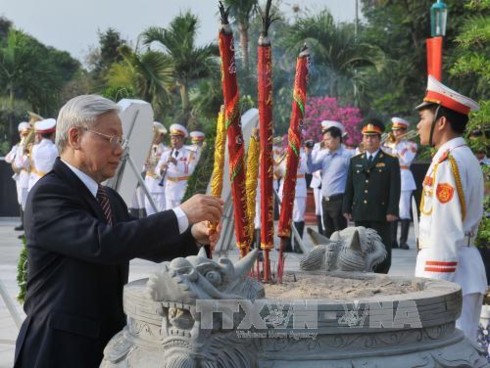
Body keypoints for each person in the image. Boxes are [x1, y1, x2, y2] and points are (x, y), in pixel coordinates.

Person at [13, 95, 223, 368]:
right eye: (109, 138)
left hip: (104, 344)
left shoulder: (108, 198)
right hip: (58, 348)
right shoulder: (49, 194)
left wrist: (193, 234)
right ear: (75, 137)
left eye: (120, 141)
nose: (119, 150)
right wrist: (180, 214)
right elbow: (103, 243)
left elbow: (141, 243)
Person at [415, 75, 486, 343]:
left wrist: (435, 287)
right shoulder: (460, 156)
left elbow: (445, 229)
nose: (419, 125)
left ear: (441, 122)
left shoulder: (448, 162)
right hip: (462, 271)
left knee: (447, 352)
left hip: (450, 275)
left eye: (423, 118)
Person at [342, 119, 401, 274]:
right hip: (361, 211)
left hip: (381, 212)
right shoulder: (355, 161)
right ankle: (363, 273)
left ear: (379, 138)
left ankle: (381, 274)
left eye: (373, 136)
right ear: (362, 139)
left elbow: (395, 188)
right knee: (361, 247)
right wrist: (346, 206)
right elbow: (350, 186)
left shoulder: (390, 161)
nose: (370, 140)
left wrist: (392, 210)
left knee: (382, 249)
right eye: (366, 137)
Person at [307, 122, 352, 238]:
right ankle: (330, 256)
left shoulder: (347, 156)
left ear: (337, 139)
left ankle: (341, 256)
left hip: (339, 200)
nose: (325, 142)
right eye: (324, 140)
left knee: (340, 234)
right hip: (325, 200)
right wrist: (309, 153)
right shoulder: (324, 155)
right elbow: (311, 168)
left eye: (328, 139)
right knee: (328, 233)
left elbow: (352, 178)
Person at [383, 117, 418, 249]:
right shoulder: (390, 144)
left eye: (398, 131)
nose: (395, 133)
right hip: (391, 178)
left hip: (404, 178)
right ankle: (392, 240)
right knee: (392, 209)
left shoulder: (411, 145)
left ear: (404, 131)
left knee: (404, 211)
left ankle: (403, 241)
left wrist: (398, 145)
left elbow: (407, 158)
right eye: (394, 130)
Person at [156, 123, 197, 210]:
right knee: (169, 214)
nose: (174, 141)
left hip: (182, 188)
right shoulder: (166, 153)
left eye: (176, 138)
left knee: (182, 213)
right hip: (169, 188)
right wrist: (161, 170)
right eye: (172, 138)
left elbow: (190, 170)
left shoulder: (189, 153)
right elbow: (157, 169)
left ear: (182, 139)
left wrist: (176, 163)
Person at [276, 146, 308, 252]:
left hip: (298, 189)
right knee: (285, 217)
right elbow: (277, 173)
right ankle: (286, 244)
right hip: (284, 190)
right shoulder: (283, 156)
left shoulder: (303, 155)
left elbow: (306, 169)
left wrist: (297, 157)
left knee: (298, 217)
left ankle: (298, 245)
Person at [5, 122, 32, 231]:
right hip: (20, 176)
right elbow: (8, 158)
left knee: (26, 202)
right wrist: (14, 156)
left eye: (26, 134)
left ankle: (27, 227)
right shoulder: (17, 146)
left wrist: (18, 163)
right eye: (22, 133)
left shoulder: (30, 146)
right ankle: (23, 224)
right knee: (20, 200)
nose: (23, 136)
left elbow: (25, 162)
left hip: (27, 175)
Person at [144, 122, 169, 215]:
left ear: (161, 136)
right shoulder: (147, 149)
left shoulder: (166, 151)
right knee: (149, 214)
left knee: (161, 214)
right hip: (148, 185)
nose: (153, 137)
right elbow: (143, 168)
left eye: (156, 134)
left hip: (159, 187)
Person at [28, 118, 59, 191]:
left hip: (37, 182)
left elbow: (31, 164)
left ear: (40, 135)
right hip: (52, 183)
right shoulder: (57, 149)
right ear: (53, 134)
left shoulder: (33, 148)